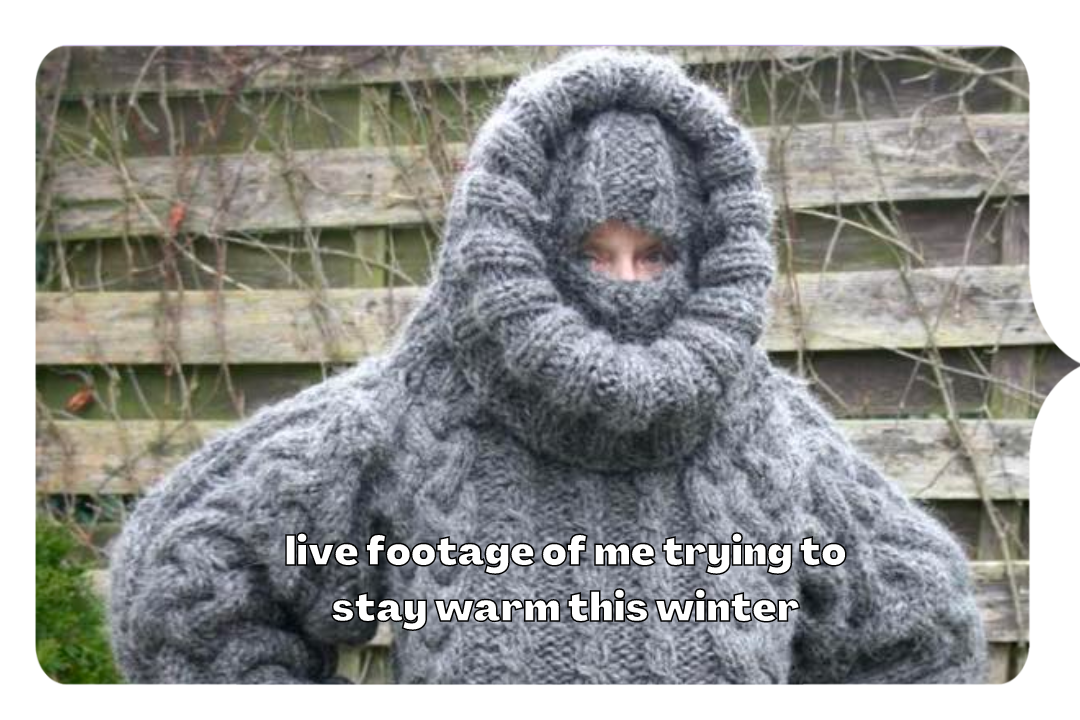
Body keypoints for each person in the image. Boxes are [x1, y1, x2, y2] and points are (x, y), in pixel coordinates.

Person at [106, 47, 989, 684]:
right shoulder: (412, 410)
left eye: (655, 253)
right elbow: (180, 585)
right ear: (523, 246)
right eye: (589, 252)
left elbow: (924, 637)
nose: (625, 283)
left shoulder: (769, 433)